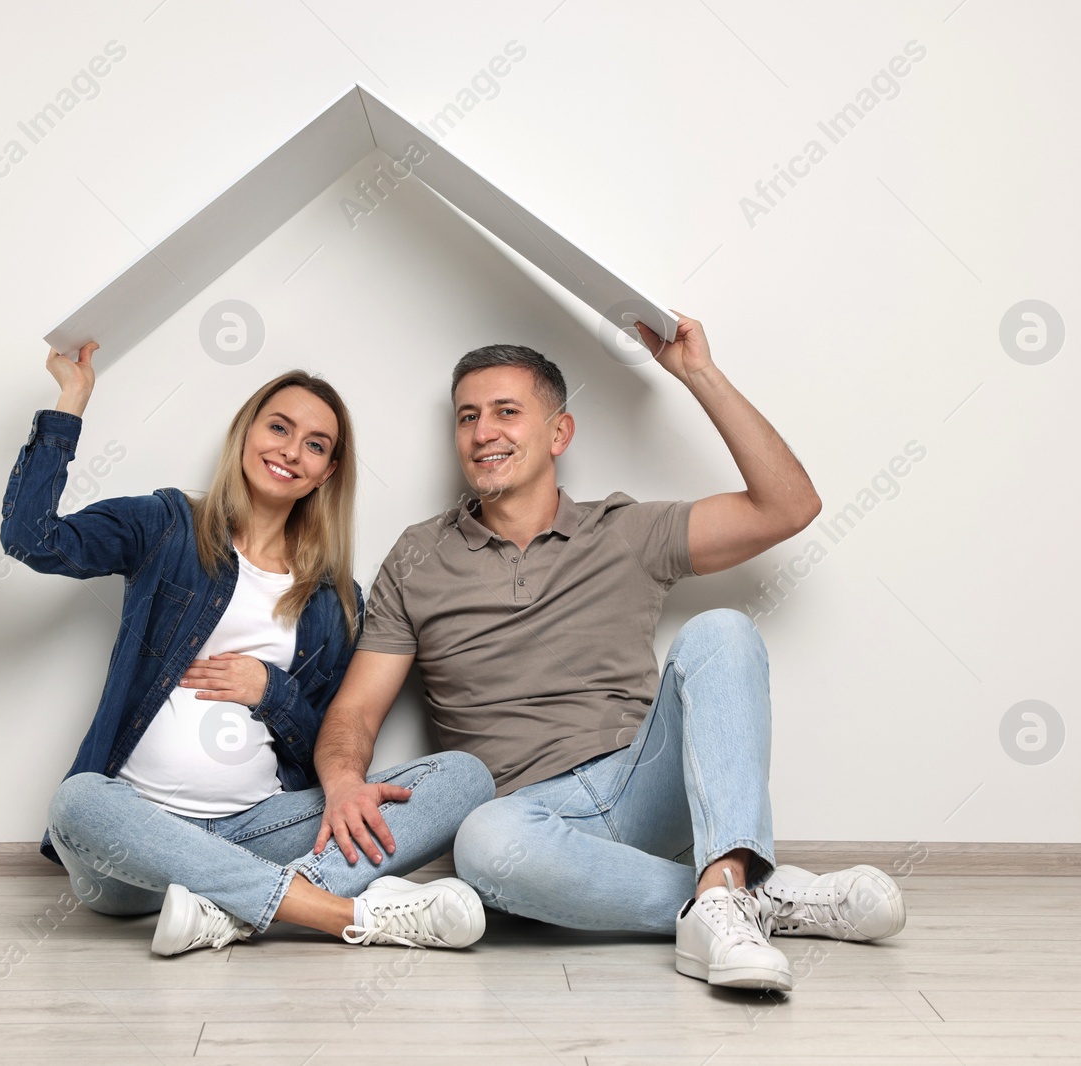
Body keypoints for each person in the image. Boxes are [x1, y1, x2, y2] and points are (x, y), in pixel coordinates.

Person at [310, 313, 906, 991]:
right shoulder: (419, 554)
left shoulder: (624, 531)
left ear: (558, 432)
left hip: (643, 787)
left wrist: (697, 374)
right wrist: (342, 782)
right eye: (467, 417)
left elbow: (789, 505)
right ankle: (737, 900)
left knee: (723, 631)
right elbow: (355, 710)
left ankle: (723, 893)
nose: (483, 433)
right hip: (531, 824)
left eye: (507, 411)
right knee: (480, 842)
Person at [0, 341, 495, 956]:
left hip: (255, 831)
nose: (291, 450)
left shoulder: (333, 599)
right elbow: (32, 540)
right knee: (76, 802)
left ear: (327, 471)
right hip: (130, 844)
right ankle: (338, 912)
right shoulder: (166, 525)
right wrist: (70, 401)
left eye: (315, 445)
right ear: (245, 432)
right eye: (279, 427)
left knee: (463, 779)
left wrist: (273, 691)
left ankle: (225, 910)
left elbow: (326, 736)